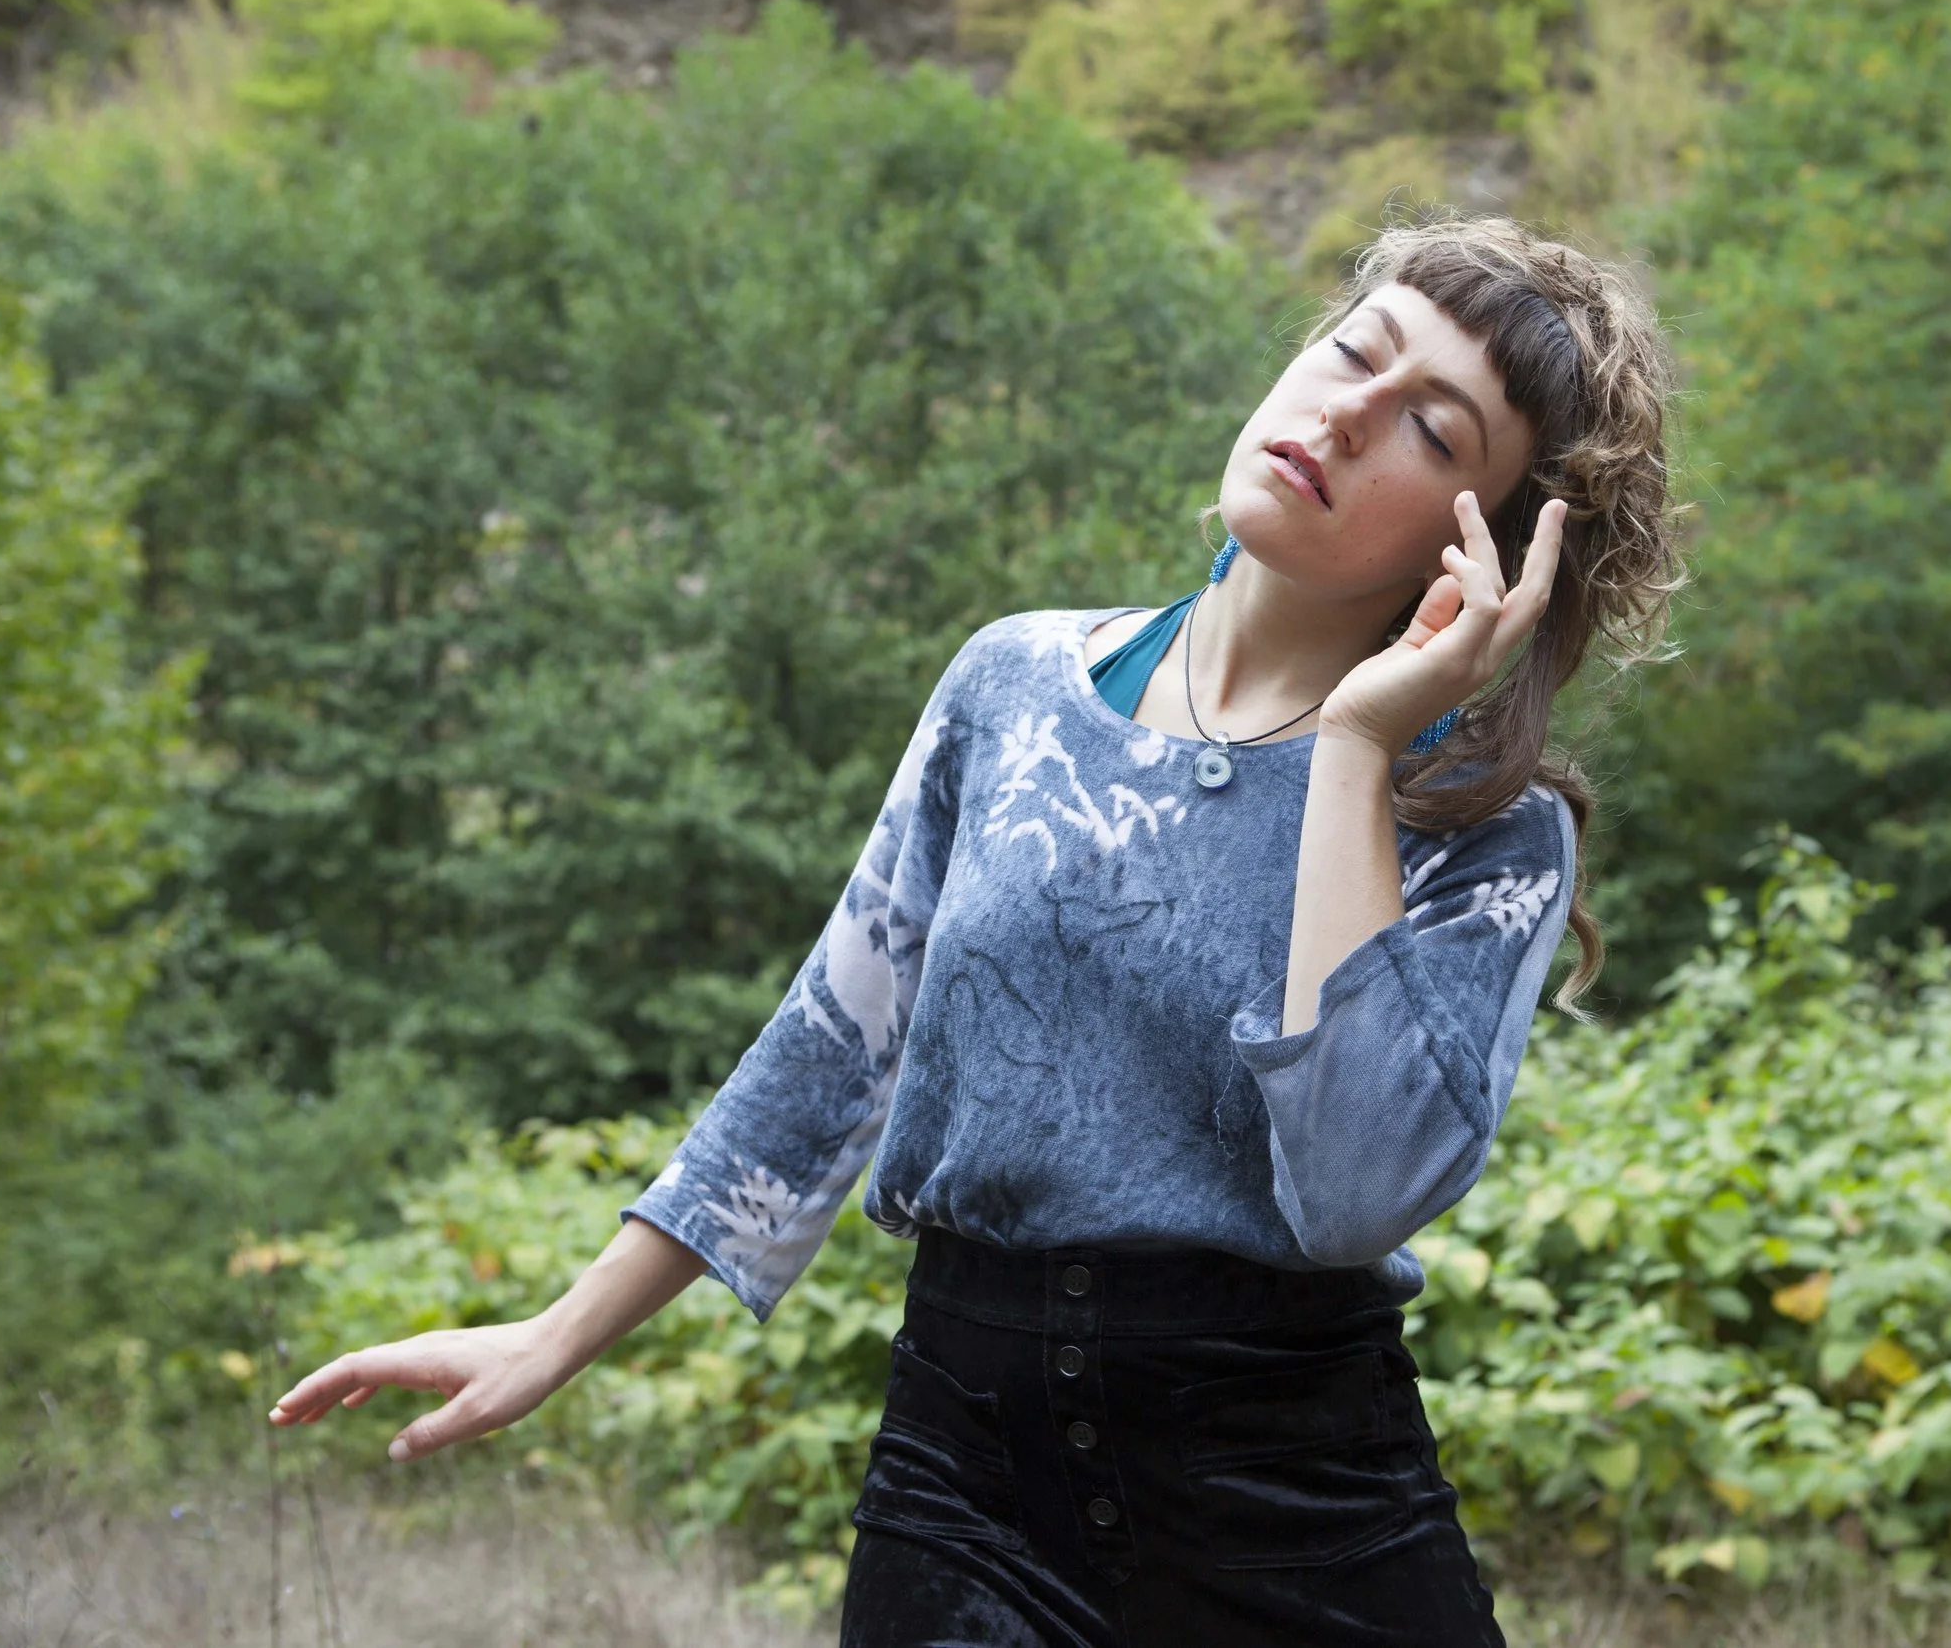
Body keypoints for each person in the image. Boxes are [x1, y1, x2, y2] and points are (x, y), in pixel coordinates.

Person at [269, 213, 1684, 1647]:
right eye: (1350, 353)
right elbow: (833, 1046)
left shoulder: (1489, 826)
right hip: (963, 1493)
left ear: (1491, 552)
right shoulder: (1015, 685)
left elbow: (1355, 1188)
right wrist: (556, 1329)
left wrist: (1357, 750)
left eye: (1431, 435)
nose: (1346, 415)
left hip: (1298, 1509)